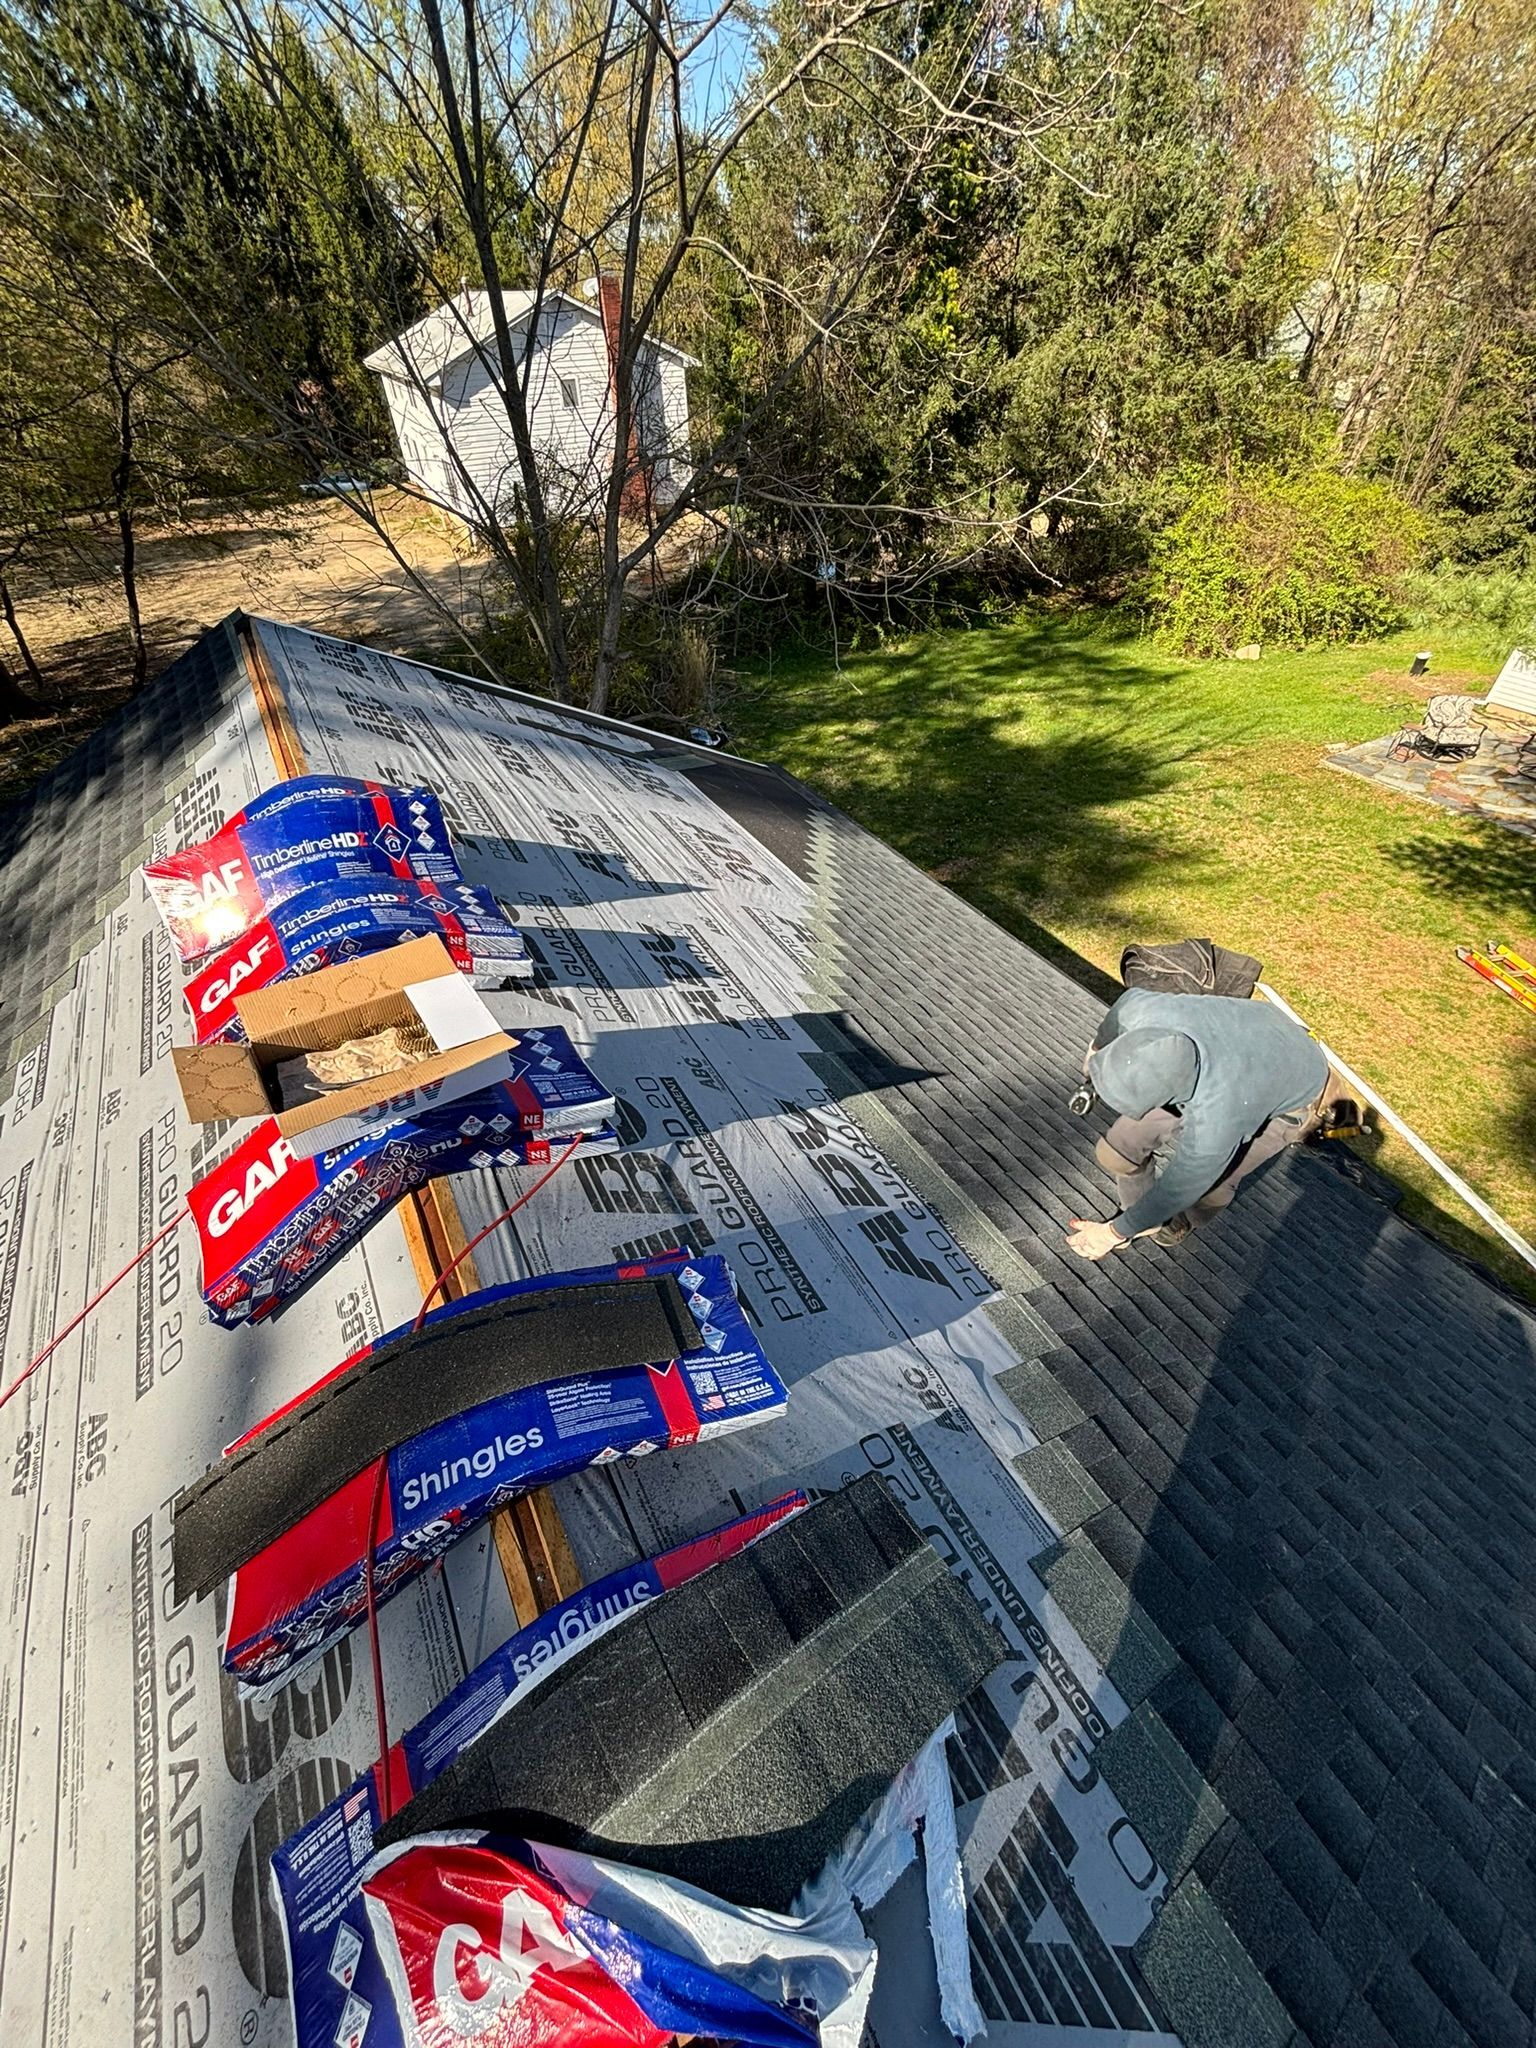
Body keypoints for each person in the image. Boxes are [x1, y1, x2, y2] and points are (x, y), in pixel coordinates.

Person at [1065, 986, 1330, 1260]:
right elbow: (1120, 1011)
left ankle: (1183, 1221)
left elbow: (1184, 1183)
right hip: (1249, 1030)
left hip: (1293, 1080)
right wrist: (1094, 1058)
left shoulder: (1222, 1114)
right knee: (1119, 1150)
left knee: (1212, 1186)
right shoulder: (1141, 1009)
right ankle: (1147, 1218)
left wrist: (1112, 1234)